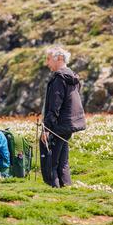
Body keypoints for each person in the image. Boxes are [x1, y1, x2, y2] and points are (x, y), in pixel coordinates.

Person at [40, 46, 86, 188]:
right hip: (69, 124)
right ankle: (66, 188)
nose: (47, 63)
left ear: (59, 58)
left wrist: (46, 129)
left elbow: (55, 106)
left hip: (58, 126)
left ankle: (55, 191)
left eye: (48, 59)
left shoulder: (59, 78)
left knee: (51, 161)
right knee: (63, 160)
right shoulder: (72, 76)